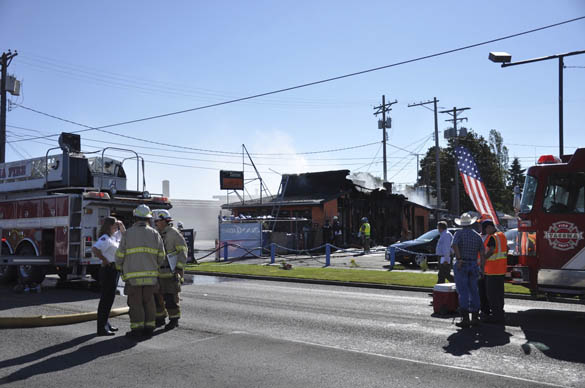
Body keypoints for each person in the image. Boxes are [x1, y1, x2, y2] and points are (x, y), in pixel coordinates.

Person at [115, 205, 165, 339]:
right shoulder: (155, 233)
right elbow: (162, 256)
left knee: (136, 303)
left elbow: (120, 254)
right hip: (151, 277)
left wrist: (119, 266)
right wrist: (154, 267)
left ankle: (137, 330)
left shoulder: (128, 233)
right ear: (148, 219)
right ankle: (149, 327)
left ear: (135, 218)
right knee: (149, 302)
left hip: (133, 278)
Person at [152, 209, 188, 331]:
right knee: (157, 297)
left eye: (157, 221)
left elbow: (182, 251)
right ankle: (160, 318)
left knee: (170, 298)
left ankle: (174, 320)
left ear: (163, 221)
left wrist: (178, 268)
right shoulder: (156, 233)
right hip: (158, 272)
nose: (155, 223)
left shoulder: (174, 234)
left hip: (170, 272)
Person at [92, 216, 125, 336]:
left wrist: (121, 225)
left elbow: (124, 234)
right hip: (108, 270)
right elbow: (95, 249)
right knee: (105, 300)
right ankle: (101, 328)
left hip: (114, 269)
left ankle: (106, 324)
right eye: (115, 224)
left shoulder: (113, 236)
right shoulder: (105, 238)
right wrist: (104, 259)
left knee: (110, 299)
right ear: (110, 226)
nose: (117, 226)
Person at [452, 212, 485, 328]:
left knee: (463, 292)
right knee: (474, 291)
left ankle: (465, 319)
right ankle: (475, 317)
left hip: (462, 264)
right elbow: (482, 252)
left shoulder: (458, 233)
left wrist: (459, 258)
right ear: (471, 223)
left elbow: (454, 245)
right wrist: (482, 268)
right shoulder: (477, 236)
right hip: (473, 264)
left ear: (462, 224)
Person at [481, 219, 508, 324]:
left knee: (492, 295)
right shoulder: (502, 235)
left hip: (492, 271)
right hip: (501, 270)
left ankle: (496, 316)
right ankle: (500, 314)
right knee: (500, 294)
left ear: (490, 227)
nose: (485, 232)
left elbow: (491, 251)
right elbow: (507, 249)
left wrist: (484, 259)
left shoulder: (493, 237)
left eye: (485, 229)